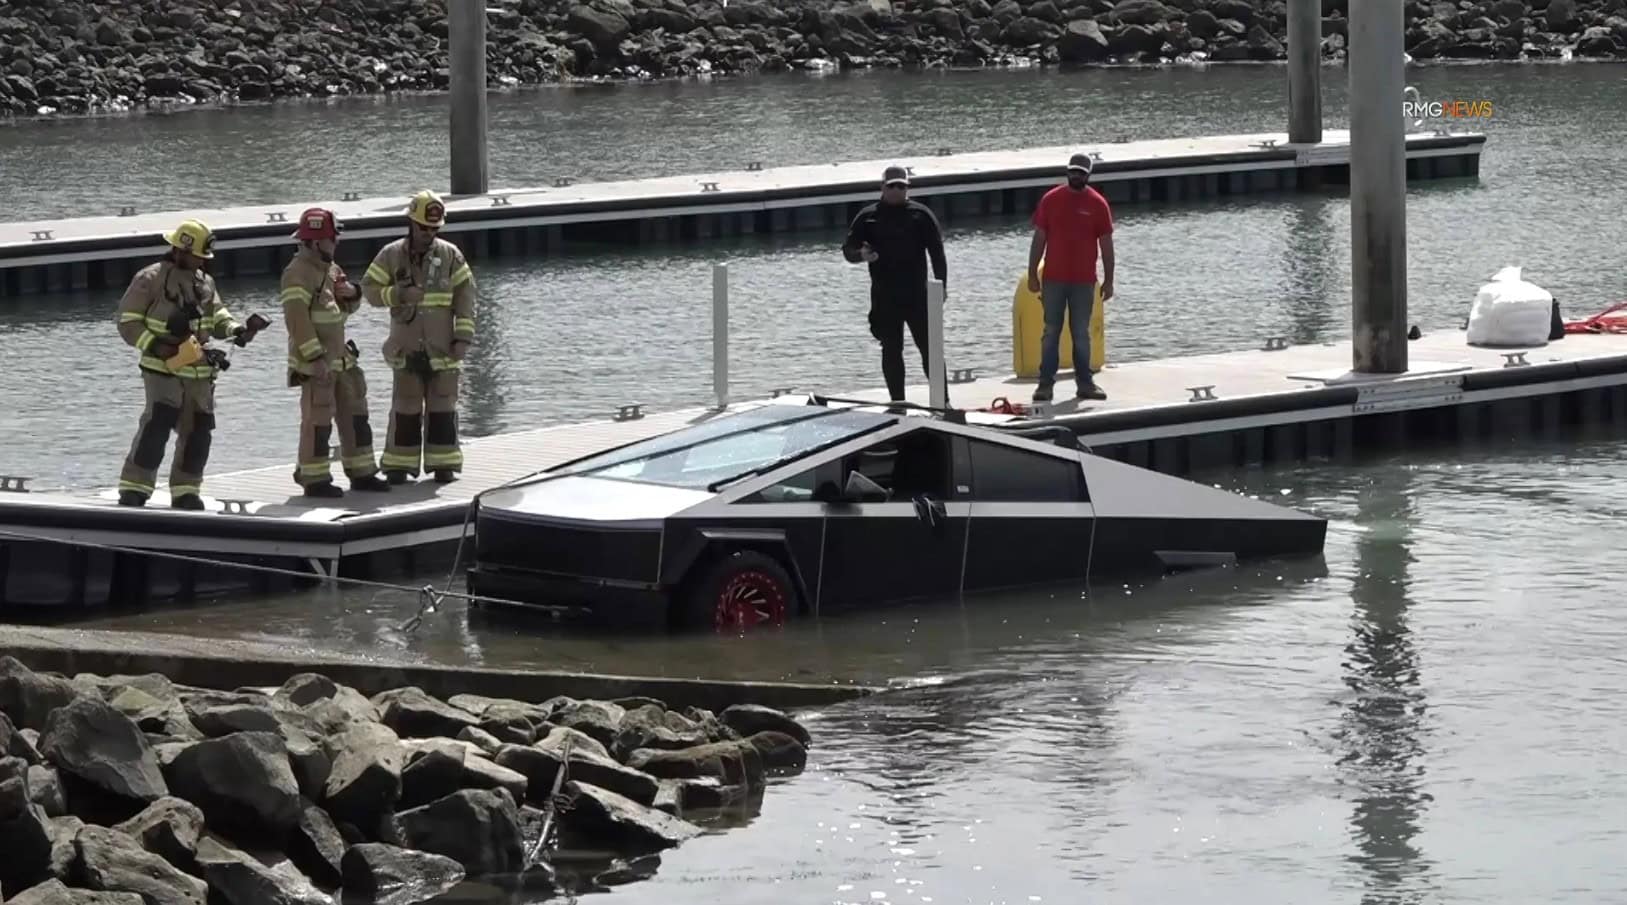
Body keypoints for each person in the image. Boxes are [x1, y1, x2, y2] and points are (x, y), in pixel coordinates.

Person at [115, 218, 264, 509]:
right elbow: (127, 321)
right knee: (156, 426)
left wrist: (236, 330)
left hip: (199, 374)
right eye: (197, 254)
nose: (201, 260)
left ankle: (186, 492)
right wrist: (157, 346)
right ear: (179, 249)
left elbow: (217, 315)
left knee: (198, 432)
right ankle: (134, 488)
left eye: (204, 256)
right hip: (162, 370)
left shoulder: (205, 282)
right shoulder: (150, 279)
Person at [361, 190, 477, 485]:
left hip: (443, 348)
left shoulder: (451, 255)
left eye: (434, 229)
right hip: (407, 347)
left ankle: (444, 465)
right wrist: (398, 294)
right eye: (424, 228)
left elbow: (466, 298)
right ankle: (399, 466)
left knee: (443, 407)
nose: (429, 234)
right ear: (411, 223)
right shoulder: (391, 255)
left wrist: (462, 338)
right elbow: (370, 290)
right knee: (406, 407)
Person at [280, 207, 391, 497]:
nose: (337, 242)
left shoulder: (330, 268)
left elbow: (345, 308)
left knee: (356, 416)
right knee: (317, 422)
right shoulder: (296, 274)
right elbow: (297, 321)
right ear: (316, 242)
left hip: (342, 360)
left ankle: (363, 473)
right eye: (332, 237)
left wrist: (353, 294)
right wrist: (315, 358)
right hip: (318, 364)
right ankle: (313, 478)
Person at [841, 165, 948, 403]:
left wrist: (942, 287)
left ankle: (943, 401)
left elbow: (937, 254)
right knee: (891, 350)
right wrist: (862, 255)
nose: (897, 190)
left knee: (931, 350)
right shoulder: (868, 216)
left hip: (918, 296)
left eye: (902, 186)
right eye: (892, 186)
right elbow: (848, 250)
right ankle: (898, 402)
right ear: (882, 188)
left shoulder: (921, 214)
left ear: (907, 188)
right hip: (884, 296)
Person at [1027, 152, 1115, 403]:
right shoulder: (1050, 200)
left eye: (1080, 172)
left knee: (1080, 333)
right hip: (1053, 279)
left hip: (1084, 282)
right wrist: (1033, 273)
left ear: (1088, 175)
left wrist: (1109, 280)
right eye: (1072, 170)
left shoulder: (1098, 204)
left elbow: (1107, 246)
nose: (1075, 175)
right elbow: (1039, 239)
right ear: (1067, 172)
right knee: (1050, 331)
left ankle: (1085, 384)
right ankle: (1045, 385)